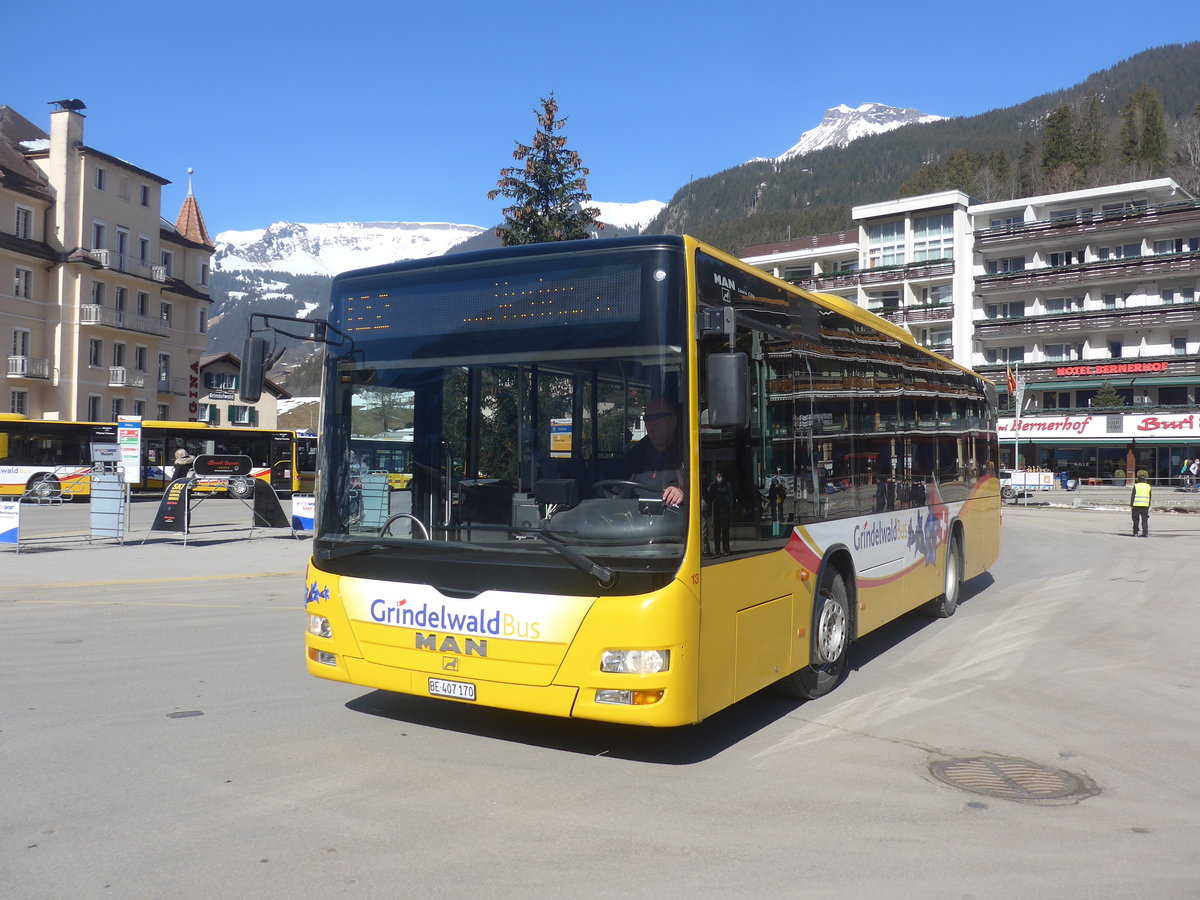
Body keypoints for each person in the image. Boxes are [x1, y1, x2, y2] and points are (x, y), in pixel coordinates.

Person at [624, 398, 684, 506]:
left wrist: (682, 491)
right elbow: (619, 487)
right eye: (648, 418)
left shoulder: (687, 452)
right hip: (632, 517)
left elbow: (700, 488)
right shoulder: (636, 453)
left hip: (672, 517)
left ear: (673, 420)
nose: (653, 423)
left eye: (658, 417)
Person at [705, 470, 733, 555]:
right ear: (716, 477)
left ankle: (726, 549)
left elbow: (731, 496)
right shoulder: (713, 485)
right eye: (718, 476)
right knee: (717, 531)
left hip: (725, 510)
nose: (719, 478)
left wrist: (730, 507)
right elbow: (709, 496)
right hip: (716, 510)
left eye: (720, 476)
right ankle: (717, 550)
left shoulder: (727, 484)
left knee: (725, 530)